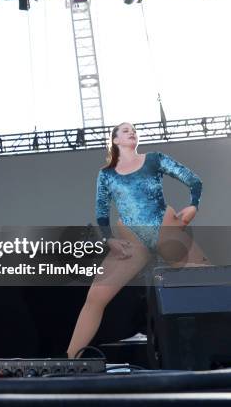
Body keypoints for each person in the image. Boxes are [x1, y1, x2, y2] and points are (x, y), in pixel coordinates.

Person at [67, 122, 208, 358]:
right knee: (95, 298)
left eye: (133, 129)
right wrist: (109, 239)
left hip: (165, 228)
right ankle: (70, 359)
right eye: (125, 130)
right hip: (132, 240)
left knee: (210, 285)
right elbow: (102, 212)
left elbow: (195, 180)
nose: (131, 131)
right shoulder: (107, 175)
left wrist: (193, 205)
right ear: (115, 140)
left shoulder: (154, 159)